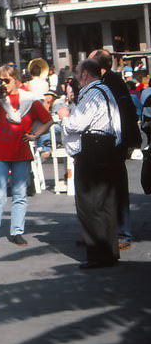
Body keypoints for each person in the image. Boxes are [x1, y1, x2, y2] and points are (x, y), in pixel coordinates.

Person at [0, 64, 53, 250]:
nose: (4, 84)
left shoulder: (28, 100)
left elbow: (48, 120)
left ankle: (17, 231)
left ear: (16, 80)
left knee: (20, 194)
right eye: (1, 80)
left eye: (7, 80)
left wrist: (35, 135)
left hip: (20, 151)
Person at [60, 59, 122, 269]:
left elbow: (78, 123)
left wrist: (64, 117)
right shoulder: (105, 90)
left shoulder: (92, 93)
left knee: (89, 204)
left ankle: (98, 255)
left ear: (85, 74)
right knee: (105, 204)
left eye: (78, 74)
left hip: (93, 148)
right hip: (107, 146)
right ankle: (109, 252)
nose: (77, 78)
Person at [88, 49, 140, 251]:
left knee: (116, 187)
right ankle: (112, 232)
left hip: (114, 143)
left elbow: (120, 114)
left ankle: (122, 234)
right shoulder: (110, 80)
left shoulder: (110, 82)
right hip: (113, 142)